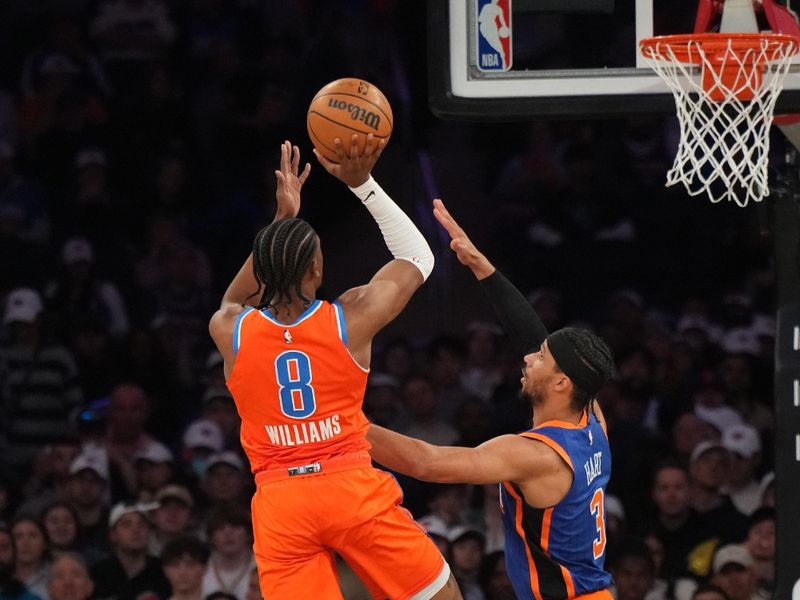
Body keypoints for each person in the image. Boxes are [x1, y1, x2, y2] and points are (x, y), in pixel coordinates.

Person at [207, 138, 457, 599]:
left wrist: (282, 220)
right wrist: (363, 185)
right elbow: (418, 257)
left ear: (263, 270)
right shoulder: (349, 320)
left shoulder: (230, 329)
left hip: (281, 501)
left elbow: (233, 297)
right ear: (317, 270)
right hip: (349, 487)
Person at [366, 199, 615, 600]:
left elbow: (426, 463)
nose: (529, 357)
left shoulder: (535, 455)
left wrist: (338, 420)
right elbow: (534, 336)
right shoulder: (592, 423)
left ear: (561, 384)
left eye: (541, 359)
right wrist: (482, 267)